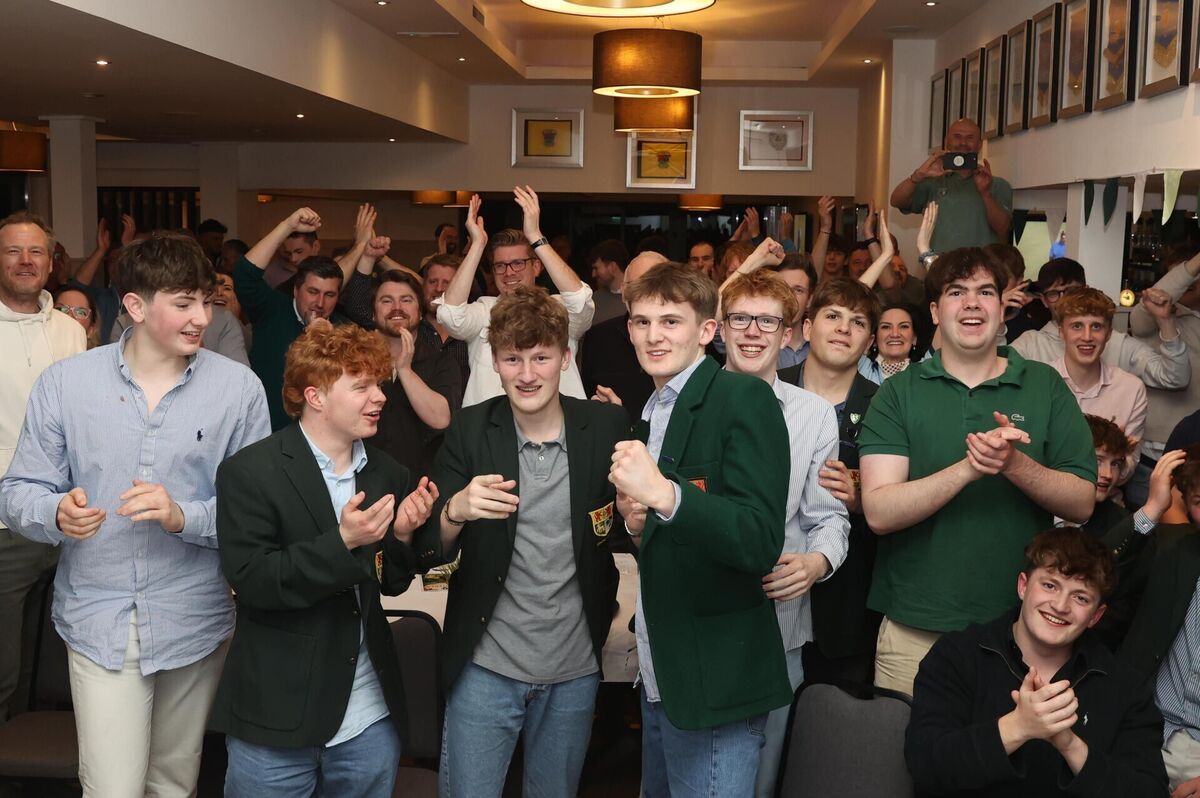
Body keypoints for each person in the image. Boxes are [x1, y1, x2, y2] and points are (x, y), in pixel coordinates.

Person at [0, 232, 270, 796]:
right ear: (135, 307)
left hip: (193, 614)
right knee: (114, 787)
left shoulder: (238, 391)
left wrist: (183, 516)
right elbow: (18, 490)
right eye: (183, 302)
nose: (201, 317)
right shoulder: (66, 384)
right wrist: (54, 511)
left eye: (204, 300)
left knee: (173, 783)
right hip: (100, 615)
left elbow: (259, 515)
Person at [409, 286, 628, 797]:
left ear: (565, 358)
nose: (527, 374)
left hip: (574, 667)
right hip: (486, 664)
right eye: (512, 359)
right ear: (495, 362)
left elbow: (626, 529)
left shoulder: (605, 426)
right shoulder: (469, 430)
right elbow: (429, 550)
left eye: (541, 357)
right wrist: (454, 511)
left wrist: (637, 516)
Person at [211, 321, 437, 797]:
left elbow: (391, 582)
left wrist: (401, 535)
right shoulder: (250, 472)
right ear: (314, 397)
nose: (379, 397)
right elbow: (253, 582)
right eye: (361, 386)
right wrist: (343, 541)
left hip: (368, 717)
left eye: (379, 383)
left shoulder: (387, 472)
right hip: (275, 716)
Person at [859, 247, 1097, 696]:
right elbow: (879, 511)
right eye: (956, 292)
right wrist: (969, 469)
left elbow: (1082, 501)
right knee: (898, 762)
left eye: (985, 291)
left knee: (1003, 762)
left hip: (1021, 634)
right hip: (914, 629)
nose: (972, 303)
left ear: (1002, 306)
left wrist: (1015, 465)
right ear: (934, 310)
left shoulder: (1044, 386)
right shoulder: (898, 394)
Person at [610, 261, 792, 797]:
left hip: (716, 674)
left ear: (707, 331)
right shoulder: (650, 412)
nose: (654, 335)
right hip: (661, 671)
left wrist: (667, 496)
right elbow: (675, 538)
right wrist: (638, 524)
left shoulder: (743, 398)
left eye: (671, 321)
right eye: (642, 322)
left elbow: (760, 540)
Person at [906, 526, 1168, 797]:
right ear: (1023, 586)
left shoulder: (1125, 687)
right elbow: (926, 765)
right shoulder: (958, 655)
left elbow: (1150, 792)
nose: (1060, 605)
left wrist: (1070, 745)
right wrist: (1018, 727)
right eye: (1050, 585)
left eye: (1080, 597)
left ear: (1095, 616)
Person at [718, 270, 850, 798]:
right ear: (720, 329)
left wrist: (818, 563)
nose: (753, 332)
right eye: (741, 319)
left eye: (767, 321)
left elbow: (829, 517)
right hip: (699, 620)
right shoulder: (681, 404)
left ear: (787, 333)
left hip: (779, 624)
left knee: (760, 775)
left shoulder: (814, 417)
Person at [0, 212, 87, 723]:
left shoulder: (70, 331)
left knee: (46, 661)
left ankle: (28, 765)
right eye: (13, 251)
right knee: (4, 666)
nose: (26, 262)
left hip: (67, 521)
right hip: (5, 524)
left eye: (36, 252)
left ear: (52, 262)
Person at [779, 278, 886, 686]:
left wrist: (866, 499)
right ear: (807, 328)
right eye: (832, 316)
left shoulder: (887, 406)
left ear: (870, 341)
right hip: (768, 591)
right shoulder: (767, 388)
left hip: (847, 605)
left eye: (857, 322)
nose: (843, 328)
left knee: (832, 735)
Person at [435, 190, 594, 407]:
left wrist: (536, 237)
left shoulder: (558, 310)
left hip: (559, 429)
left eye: (518, 263)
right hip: (490, 433)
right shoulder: (484, 311)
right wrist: (477, 245)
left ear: (536, 266)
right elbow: (450, 315)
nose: (509, 273)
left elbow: (579, 300)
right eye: (500, 265)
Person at [1103, 452, 1200, 796]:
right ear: (1187, 503)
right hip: (1142, 734)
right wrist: (1151, 510)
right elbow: (1094, 580)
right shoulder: (1174, 550)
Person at [235, 207, 354, 430]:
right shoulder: (271, 308)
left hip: (323, 438)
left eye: (329, 295)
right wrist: (287, 225)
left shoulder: (345, 330)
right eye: (312, 292)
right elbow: (244, 273)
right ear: (296, 290)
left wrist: (327, 341)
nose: (320, 302)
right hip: (266, 433)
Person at [1011, 259, 1189, 391]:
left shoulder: (1117, 344)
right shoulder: (1030, 344)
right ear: (1043, 300)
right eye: (1053, 294)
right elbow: (990, 377)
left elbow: (1174, 378)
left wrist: (1165, 321)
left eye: (1072, 291)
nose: (1065, 300)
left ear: (1086, 289)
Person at [1049, 286, 1147, 486]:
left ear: (1109, 333)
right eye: (1076, 326)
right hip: (1047, 506)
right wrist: (1110, 451)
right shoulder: (1041, 382)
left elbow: (1128, 466)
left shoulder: (1131, 389)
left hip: (1105, 505)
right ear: (1061, 332)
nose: (1087, 336)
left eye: (1096, 326)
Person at [1126, 248, 1200, 507]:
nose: (1189, 283)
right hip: (1151, 456)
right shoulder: (1148, 316)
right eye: (1181, 278)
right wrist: (1195, 261)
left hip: (1195, 455)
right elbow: (1162, 296)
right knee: (1144, 534)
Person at [370, 270, 461, 479]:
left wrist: (405, 370)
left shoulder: (442, 361)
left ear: (420, 312)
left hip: (421, 487)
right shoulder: (353, 361)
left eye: (406, 300)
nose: (397, 308)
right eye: (386, 301)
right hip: (363, 484)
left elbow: (441, 419)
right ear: (373, 313)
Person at [889, 118, 1013, 251]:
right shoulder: (932, 181)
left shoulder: (997, 185)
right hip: (940, 268)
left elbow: (1003, 229)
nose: (963, 143)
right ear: (946, 141)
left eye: (970, 138)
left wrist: (985, 194)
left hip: (982, 269)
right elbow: (896, 201)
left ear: (979, 145)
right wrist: (918, 175)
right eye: (957, 137)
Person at [579, 250, 665, 423]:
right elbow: (588, 396)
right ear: (624, 291)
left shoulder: (685, 338)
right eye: (638, 284)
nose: (648, 293)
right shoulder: (599, 338)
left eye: (657, 284)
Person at [1082, 414, 1136, 539]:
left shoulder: (1121, 523)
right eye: (1098, 461)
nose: (1108, 474)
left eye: (1115, 464)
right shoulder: (1038, 508)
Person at [874, 303, 924, 379]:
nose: (895, 334)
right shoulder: (862, 369)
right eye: (886, 327)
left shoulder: (925, 370)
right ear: (873, 340)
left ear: (914, 338)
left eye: (903, 326)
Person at [588, 238, 630, 327]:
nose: (593, 275)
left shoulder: (637, 299)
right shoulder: (594, 300)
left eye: (596, 268)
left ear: (612, 267)